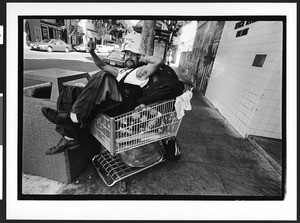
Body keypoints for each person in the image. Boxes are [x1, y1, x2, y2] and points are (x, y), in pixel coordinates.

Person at [41, 37, 164, 155]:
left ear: (138, 57)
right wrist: (92, 52)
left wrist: (142, 56)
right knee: (70, 91)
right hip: (112, 103)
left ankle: (74, 117)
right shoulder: (122, 71)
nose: (129, 57)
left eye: (133, 55)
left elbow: (158, 61)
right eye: (127, 54)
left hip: (124, 104)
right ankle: (69, 136)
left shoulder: (141, 71)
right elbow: (102, 65)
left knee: (105, 76)